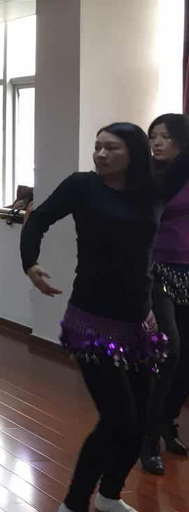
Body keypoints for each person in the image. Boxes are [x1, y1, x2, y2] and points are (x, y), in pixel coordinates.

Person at [21, 122, 189, 512]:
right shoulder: (82, 186)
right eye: (97, 147)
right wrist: (31, 263)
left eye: (111, 148)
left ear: (134, 153)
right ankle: (74, 503)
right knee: (117, 419)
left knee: (140, 421)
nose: (100, 154)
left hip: (139, 324)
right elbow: (39, 218)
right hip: (90, 322)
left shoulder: (155, 189)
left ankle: (110, 495)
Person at [141, 114, 189, 474]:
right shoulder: (147, 178)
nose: (157, 142)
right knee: (169, 350)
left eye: (165, 136)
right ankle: (148, 438)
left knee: (186, 359)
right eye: (153, 136)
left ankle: (166, 422)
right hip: (157, 271)